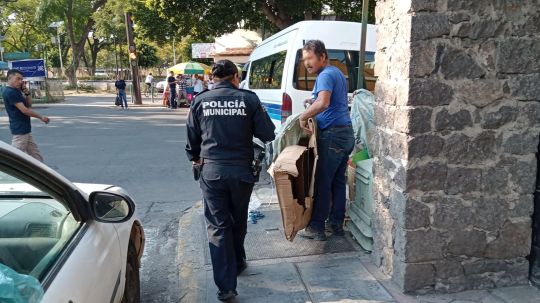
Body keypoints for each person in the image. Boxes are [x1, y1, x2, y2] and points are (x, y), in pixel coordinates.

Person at [185, 60, 275, 302]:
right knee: (237, 218)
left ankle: (226, 286)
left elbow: (192, 140)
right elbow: (267, 134)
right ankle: (237, 261)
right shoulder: (249, 99)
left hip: (211, 171)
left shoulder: (200, 101)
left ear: (214, 78)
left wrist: (195, 157)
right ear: (235, 76)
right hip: (241, 172)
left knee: (217, 226)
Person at [298, 40, 355, 241]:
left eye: (310, 58)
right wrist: (311, 104)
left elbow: (324, 102)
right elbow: (326, 102)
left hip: (332, 136)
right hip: (345, 134)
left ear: (322, 56)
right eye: (305, 60)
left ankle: (316, 227)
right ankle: (336, 225)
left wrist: (303, 116)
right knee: (337, 182)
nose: (307, 63)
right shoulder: (336, 73)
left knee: (323, 182)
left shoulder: (325, 74)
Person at [2, 69, 50, 161]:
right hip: (20, 129)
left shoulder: (16, 90)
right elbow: (24, 110)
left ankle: (41, 173)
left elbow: (29, 105)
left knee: (36, 156)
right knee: (14, 158)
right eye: (18, 79)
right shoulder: (10, 92)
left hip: (25, 129)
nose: (20, 81)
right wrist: (41, 117)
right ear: (10, 78)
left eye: (21, 79)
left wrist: (26, 92)